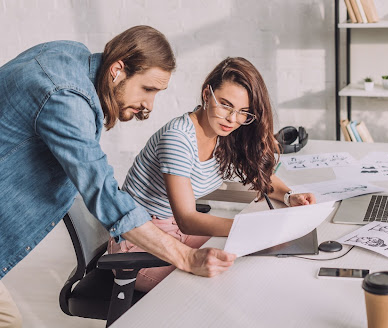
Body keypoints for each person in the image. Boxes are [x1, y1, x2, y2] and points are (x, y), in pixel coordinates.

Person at [0, 26, 235, 328]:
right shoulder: (65, 97)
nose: (149, 105)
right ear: (117, 69)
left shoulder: (71, 59)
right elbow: (105, 194)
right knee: (7, 326)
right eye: (147, 89)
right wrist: (186, 257)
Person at [109, 57, 316, 292]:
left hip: (176, 233)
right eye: (226, 105)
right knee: (219, 288)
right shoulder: (178, 139)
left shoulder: (223, 134)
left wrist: (290, 196)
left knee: (251, 263)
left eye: (243, 112)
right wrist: (253, 227)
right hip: (141, 244)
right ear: (207, 94)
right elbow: (188, 219)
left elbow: (258, 176)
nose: (232, 119)